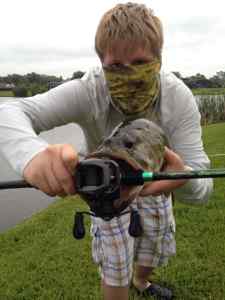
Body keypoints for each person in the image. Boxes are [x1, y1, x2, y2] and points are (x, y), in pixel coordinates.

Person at [0, 3, 213, 300]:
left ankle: (141, 282)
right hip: (105, 189)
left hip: (156, 180)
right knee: (115, 264)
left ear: (159, 60)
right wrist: (31, 154)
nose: (129, 74)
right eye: (115, 66)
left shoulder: (178, 99)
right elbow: (7, 113)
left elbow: (205, 189)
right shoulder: (87, 90)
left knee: (152, 242)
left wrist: (183, 178)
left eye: (140, 61)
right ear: (101, 64)